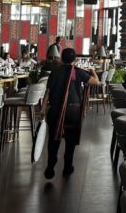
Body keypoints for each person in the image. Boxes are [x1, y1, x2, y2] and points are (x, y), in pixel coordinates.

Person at [41, 47, 100, 179]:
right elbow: (96, 82)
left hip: (55, 110)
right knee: (70, 140)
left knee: (53, 138)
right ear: (75, 60)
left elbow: (48, 92)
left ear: (61, 59)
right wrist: (93, 71)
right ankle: (68, 166)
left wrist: (43, 109)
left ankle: (50, 165)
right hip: (73, 110)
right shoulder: (77, 72)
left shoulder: (55, 72)